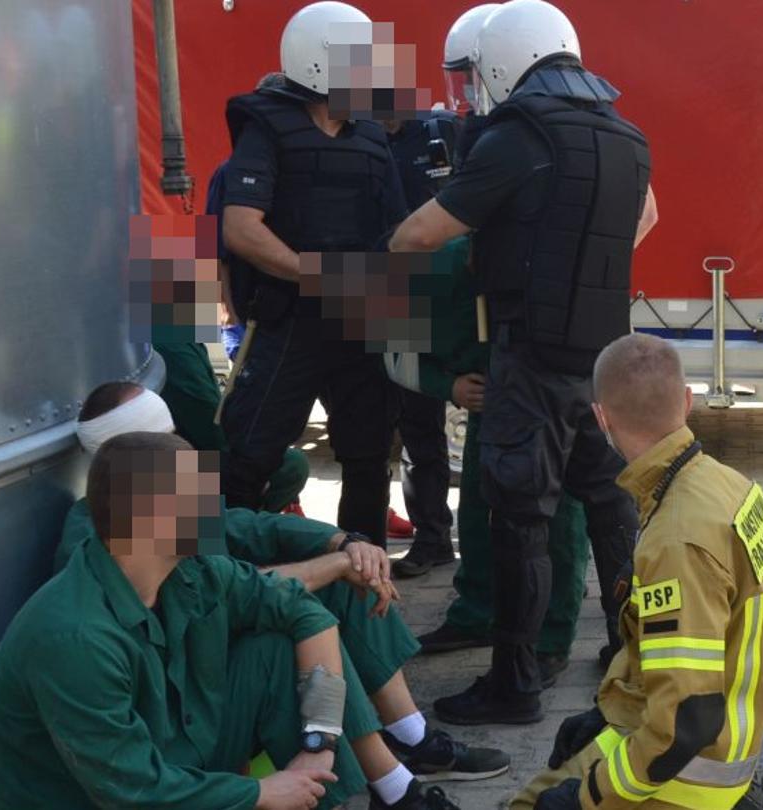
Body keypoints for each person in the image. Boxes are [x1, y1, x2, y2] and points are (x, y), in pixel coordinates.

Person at [390, 0, 658, 725]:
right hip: (602, 361)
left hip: (531, 360)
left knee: (520, 522)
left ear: (505, 58)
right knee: (610, 510)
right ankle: (630, 656)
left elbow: (425, 232)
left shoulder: (517, 134)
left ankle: (514, 686)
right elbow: (646, 219)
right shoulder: (626, 134)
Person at [65, 381, 512, 788]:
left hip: (195, 690)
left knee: (335, 582)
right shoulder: (89, 596)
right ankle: (390, 779)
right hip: (179, 713)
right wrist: (257, 794)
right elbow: (133, 784)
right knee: (297, 621)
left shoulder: (140, 516)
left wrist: (343, 542)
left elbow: (240, 529)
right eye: (166, 439)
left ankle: (405, 746)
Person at [0, 432, 460, 809]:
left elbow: (305, 613)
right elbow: (131, 791)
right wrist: (262, 793)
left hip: (178, 758)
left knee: (276, 650)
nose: (212, 506)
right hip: (116, 797)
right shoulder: (74, 636)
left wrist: (319, 743)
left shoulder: (190, 569)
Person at [510, 334, 763, 810]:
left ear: (601, 418)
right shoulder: (728, 484)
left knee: (528, 806)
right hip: (701, 742)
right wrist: (605, 713)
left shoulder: (676, 541)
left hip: (690, 777)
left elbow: (688, 720)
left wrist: (588, 796)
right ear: (687, 400)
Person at [217, 2, 406, 546]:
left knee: (369, 461)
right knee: (248, 460)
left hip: (360, 327)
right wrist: (317, 275)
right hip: (287, 325)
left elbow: (396, 233)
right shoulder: (267, 125)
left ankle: (364, 590)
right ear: (321, 62)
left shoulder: (373, 137)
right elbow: (240, 229)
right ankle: (230, 584)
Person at [136, 208, 311, 515]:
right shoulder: (171, 338)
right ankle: (240, 532)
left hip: (179, 451)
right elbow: (209, 428)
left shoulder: (170, 328)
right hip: (182, 461)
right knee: (289, 465)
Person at [382, 99, 470, 578]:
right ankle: (430, 537)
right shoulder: (358, 139)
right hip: (387, 296)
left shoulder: (441, 131)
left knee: (463, 421)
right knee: (407, 423)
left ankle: (459, 538)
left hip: (449, 292)